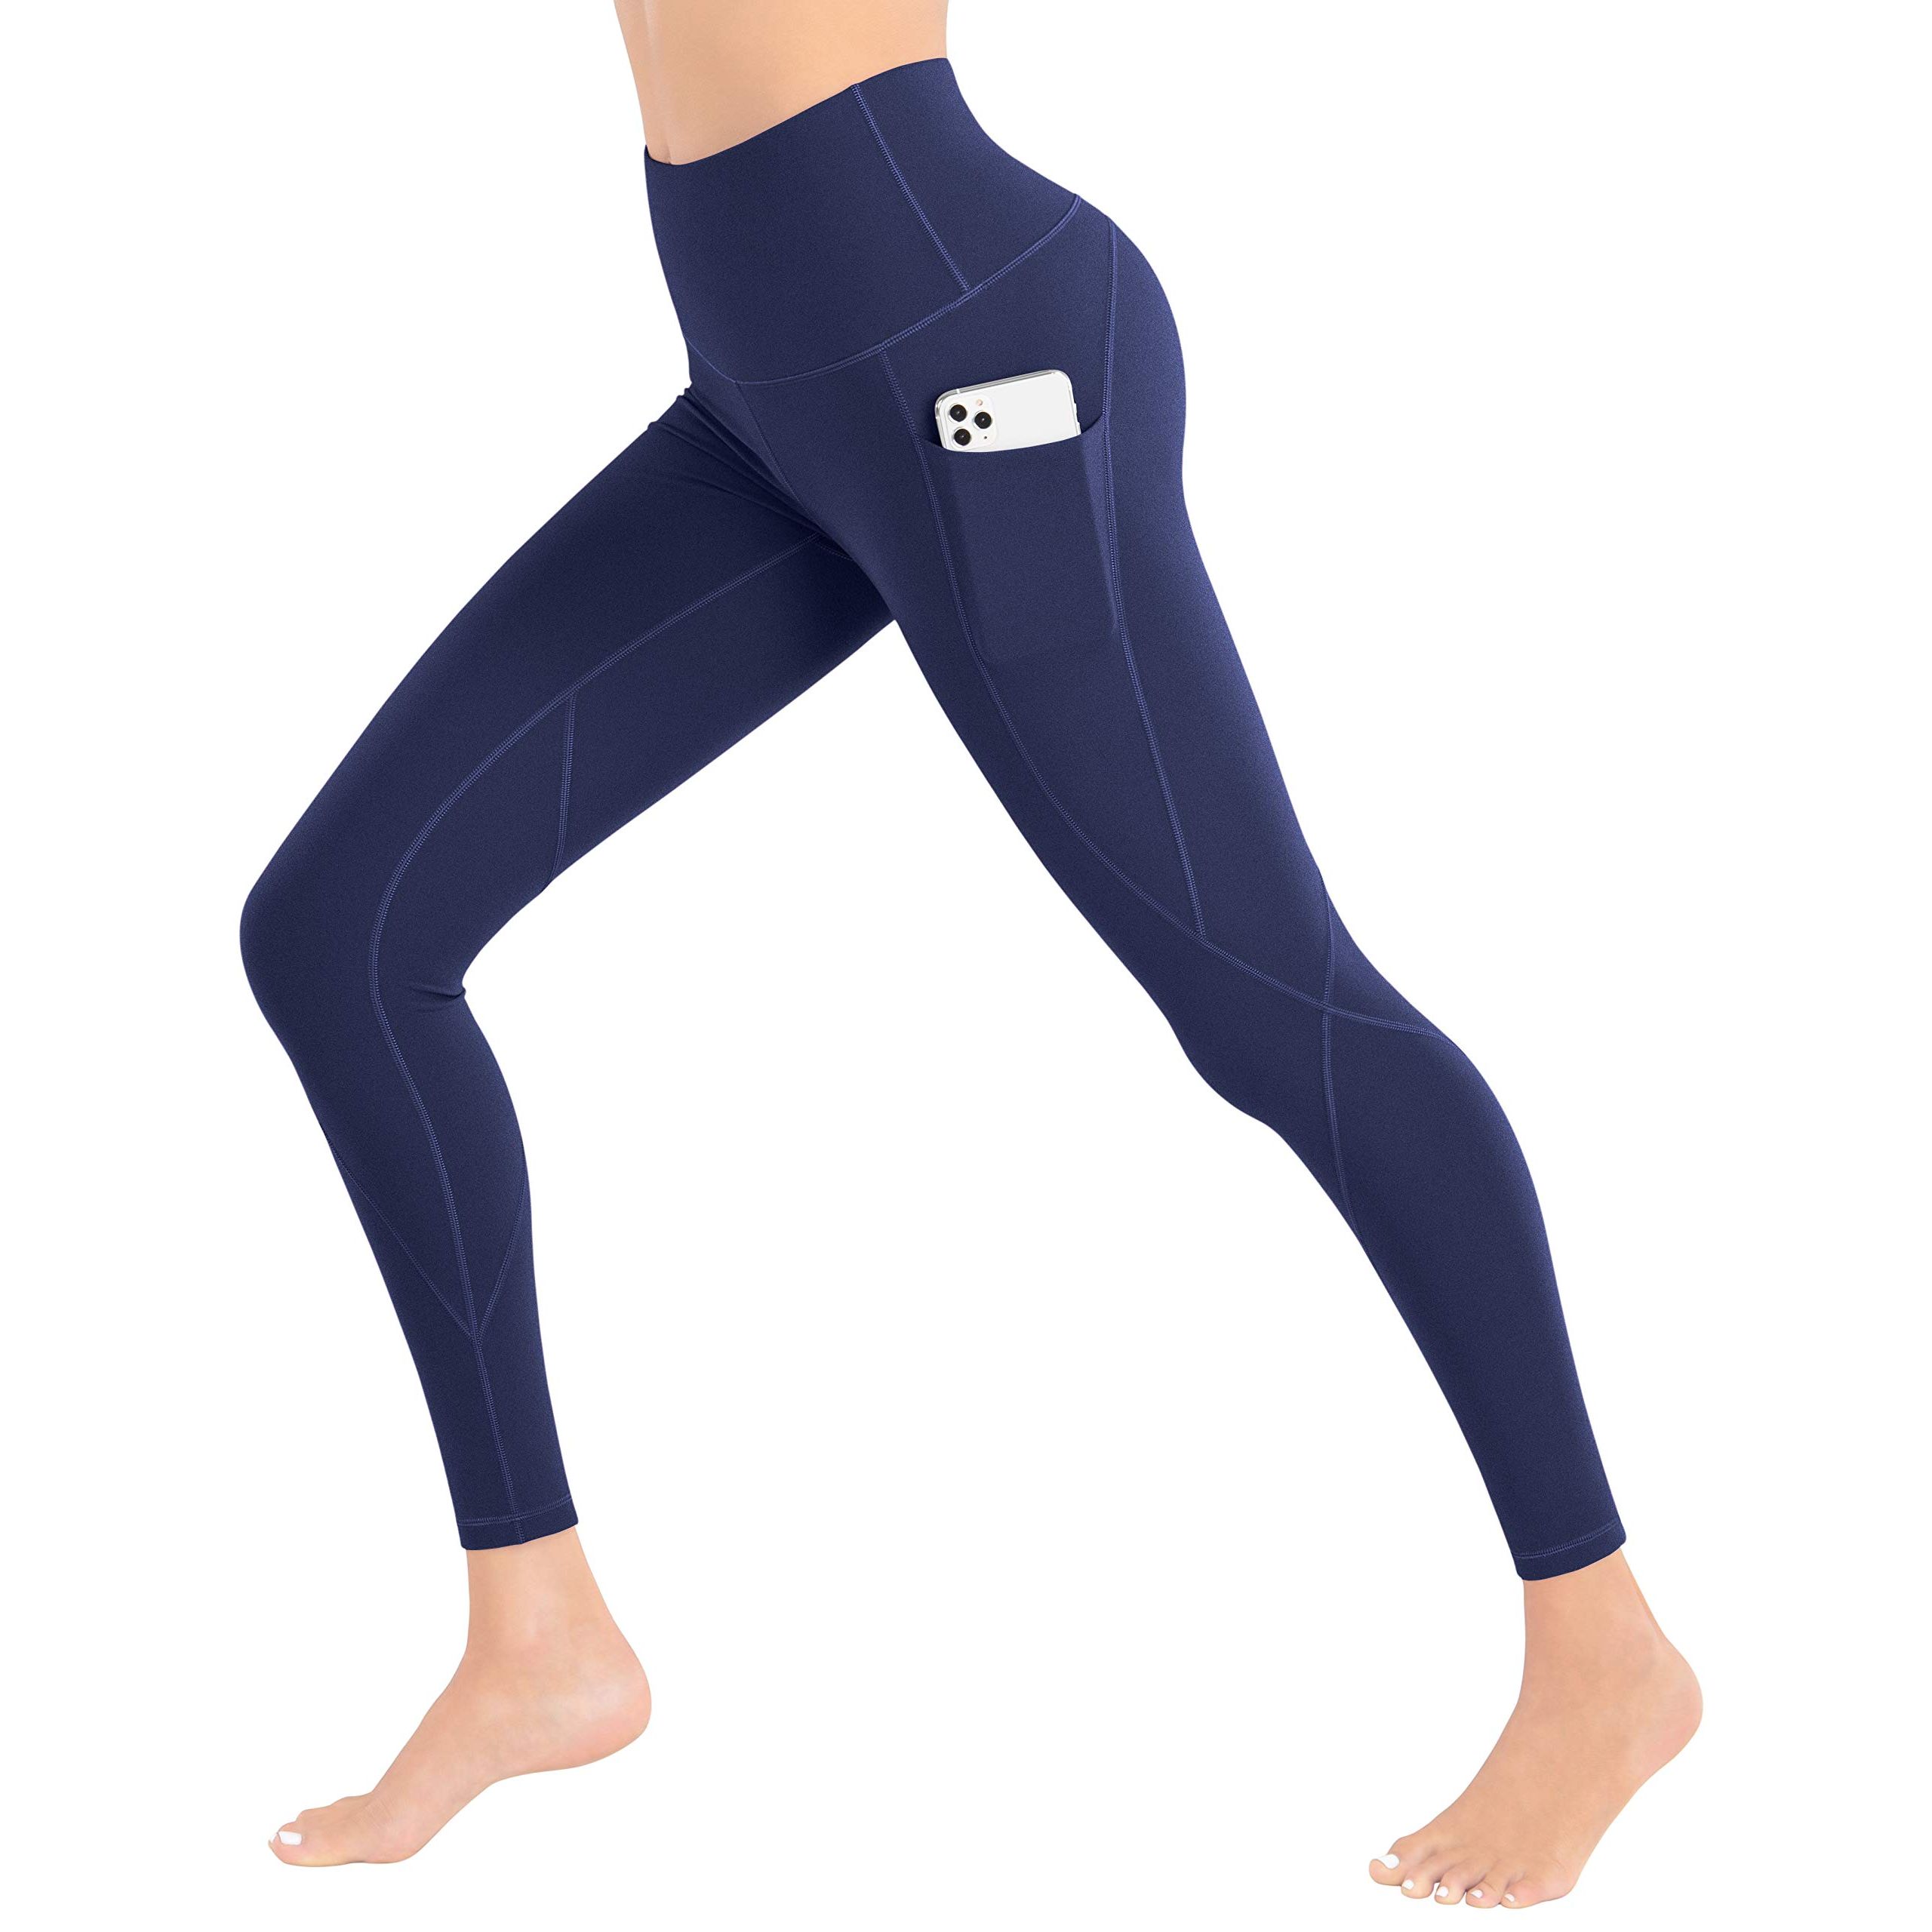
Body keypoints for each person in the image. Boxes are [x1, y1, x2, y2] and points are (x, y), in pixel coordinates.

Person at [243, 0, 1698, 1898]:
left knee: (1274, 1005)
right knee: (340, 930)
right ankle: (538, 1635)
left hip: (966, 359)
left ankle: (1601, 1648)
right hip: (764, 399)